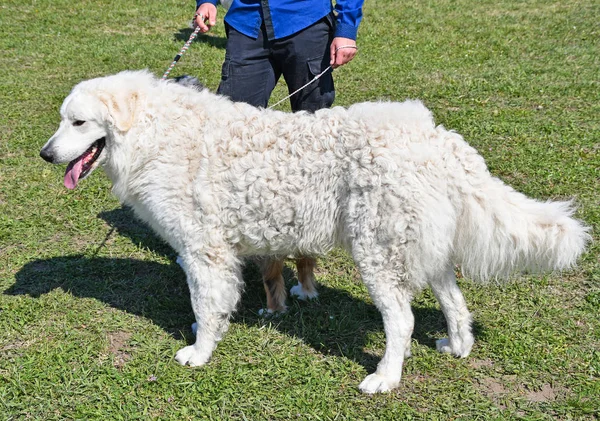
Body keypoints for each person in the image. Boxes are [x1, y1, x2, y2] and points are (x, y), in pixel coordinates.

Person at [192, 0, 364, 312]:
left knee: (314, 151)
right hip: (247, 26)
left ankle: (306, 266)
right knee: (230, 143)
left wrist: (347, 28)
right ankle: (231, 252)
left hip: (306, 23)